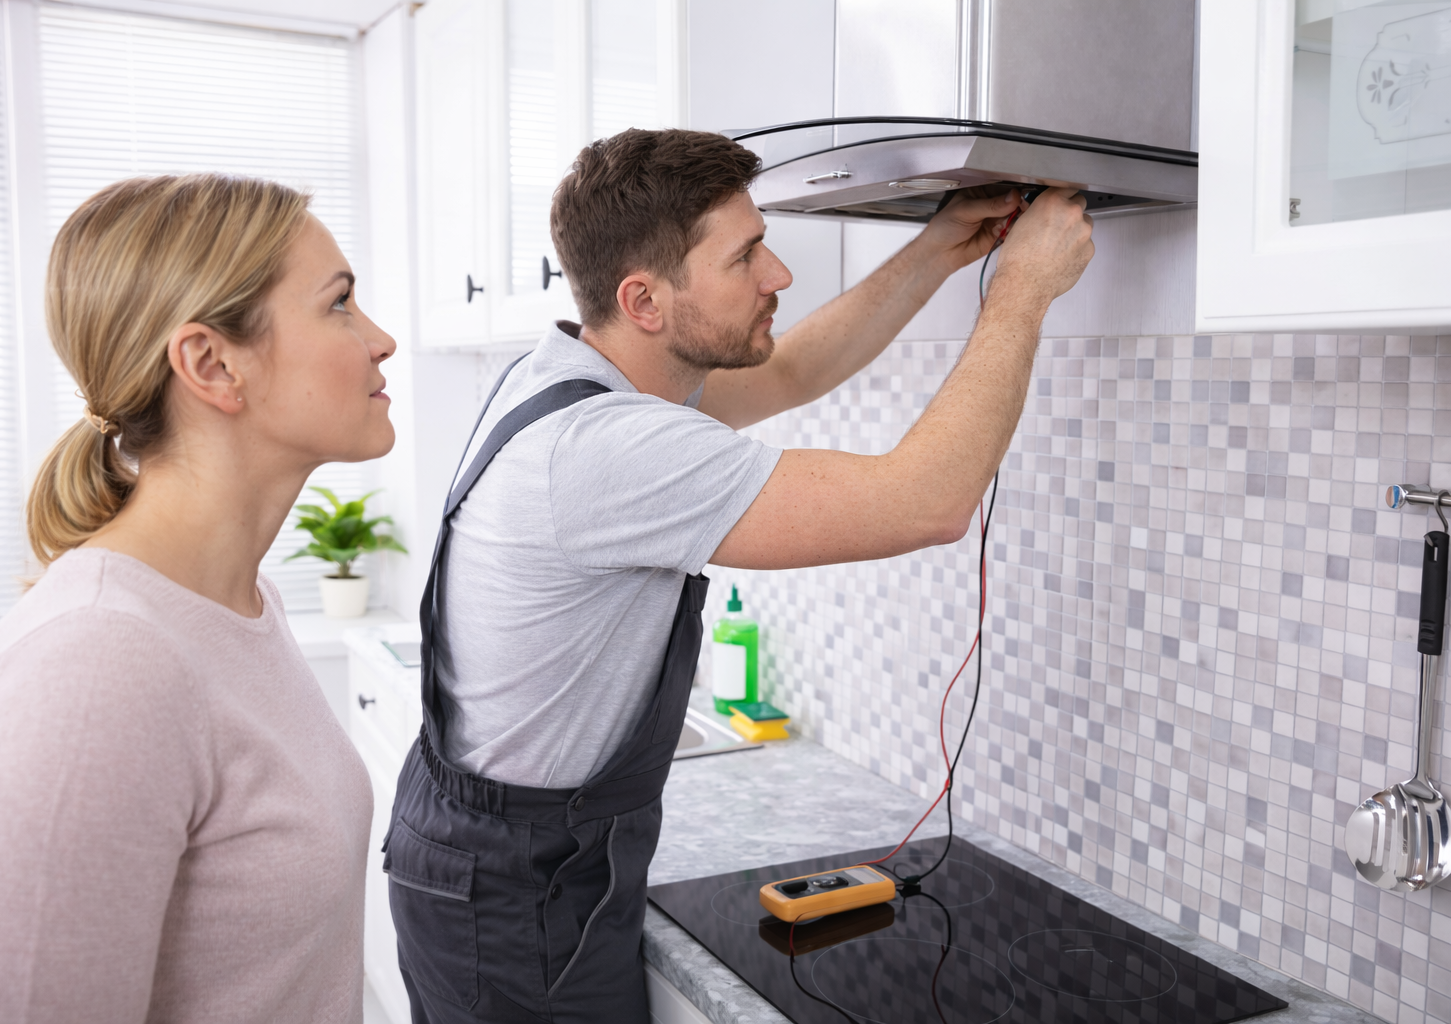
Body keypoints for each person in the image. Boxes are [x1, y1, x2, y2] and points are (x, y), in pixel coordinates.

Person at [388, 128, 1094, 1022]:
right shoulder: (604, 449)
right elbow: (927, 503)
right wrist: (1024, 289)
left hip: (504, 854)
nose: (779, 275)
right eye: (746, 256)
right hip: (517, 889)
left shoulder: (579, 374)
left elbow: (792, 369)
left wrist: (936, 249)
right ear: (645, 299)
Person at [0, 174, 397, 1023]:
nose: (382, 340)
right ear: (212, 363)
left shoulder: (237, 602)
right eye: (339, 304)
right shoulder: (97, 665)